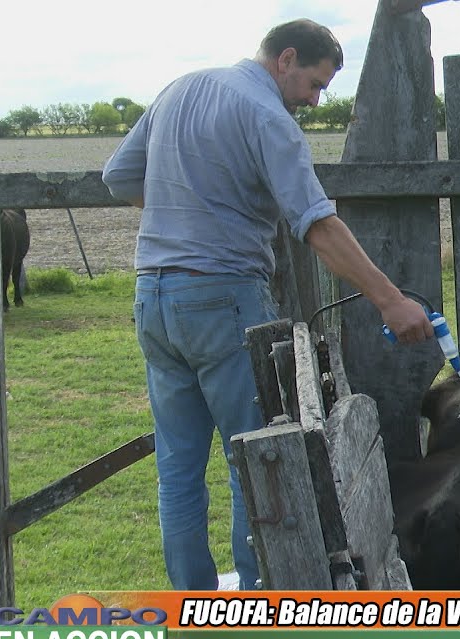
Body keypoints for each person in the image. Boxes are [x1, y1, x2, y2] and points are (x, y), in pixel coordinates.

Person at [102, 18, 434, 592]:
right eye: (315, 84)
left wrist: (187, 210)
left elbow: (119, 177)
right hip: (222, 297)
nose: (314, 99)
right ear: (285, 59)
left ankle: (196, 606)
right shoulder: (267, 117)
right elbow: (319, 225)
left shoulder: (178, 90)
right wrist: (390, 300)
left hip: (152, 295)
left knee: (177, 466)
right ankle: (256, 609)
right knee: (253, 459)